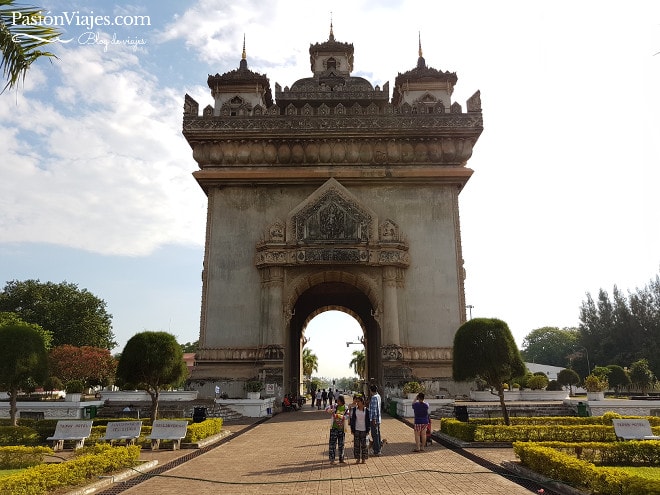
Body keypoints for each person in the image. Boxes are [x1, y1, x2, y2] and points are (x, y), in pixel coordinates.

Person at [349, 394, 370, 464]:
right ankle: (358, 458)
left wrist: (368, 430)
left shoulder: (366, 410)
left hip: (364, 430)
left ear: (362, 402)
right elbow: (352, 420)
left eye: (358, 401)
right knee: (356, 445)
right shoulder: (354, 410)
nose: (357, 403)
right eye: (356, 402)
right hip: (356, 429)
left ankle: (363, 458)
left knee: (364, 445)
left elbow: (368, 421)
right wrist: (352, 429)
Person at [326, 395, 347, 464]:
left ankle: (341, 459)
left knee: (341, 444)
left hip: (341, 429)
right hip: (334, 428)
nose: (337, 402)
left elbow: (347, 416)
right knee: (332, 444)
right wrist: (330, 410)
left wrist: (339, 416)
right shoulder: (334, 406)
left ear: (341, 401)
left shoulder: (345, 408)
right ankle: (332, 460)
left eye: (338, 400)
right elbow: (327, 409)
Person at [368, 385, 382, 456]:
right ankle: (378, 448)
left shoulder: (373, 398)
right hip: (378, 419)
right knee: (378, 434)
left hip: (374, 419)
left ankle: (376, 450)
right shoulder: (378, 396)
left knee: (374, 435)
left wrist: (373, 419)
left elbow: (374, 410)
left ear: (371, 390)